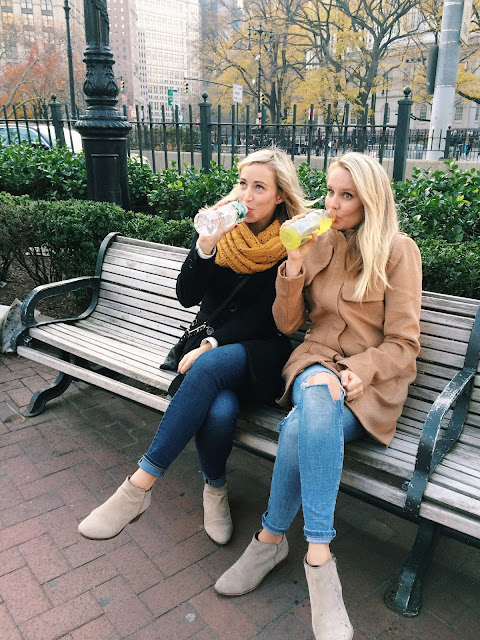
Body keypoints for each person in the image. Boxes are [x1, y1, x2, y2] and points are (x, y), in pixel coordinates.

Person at [214, 152, 422, 640]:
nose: (332, 204)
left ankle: (270, 540)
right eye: (330, 192)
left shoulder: (398, 251)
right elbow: (288, 324)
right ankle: (319, 558)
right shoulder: (318, 240)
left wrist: (358, 371)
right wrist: (292, 265)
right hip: (313, 363)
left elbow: (404, 345)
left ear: (371, 201)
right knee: (315, 389)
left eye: (346, 196)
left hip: (369, 387)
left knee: (299, 424)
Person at [77, 148, 314, 544]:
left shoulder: (292, 239)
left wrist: (212, 344)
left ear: (279, 196)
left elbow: (269, 318)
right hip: (209, 352)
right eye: (243, 183)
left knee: (209, 364)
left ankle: (139, 486)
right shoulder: (221, 226)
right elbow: (187, 296)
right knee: (219, 412)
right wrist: (205, 247)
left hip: (259, 353)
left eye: (260, 187)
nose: (247, 195)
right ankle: (215, 490)